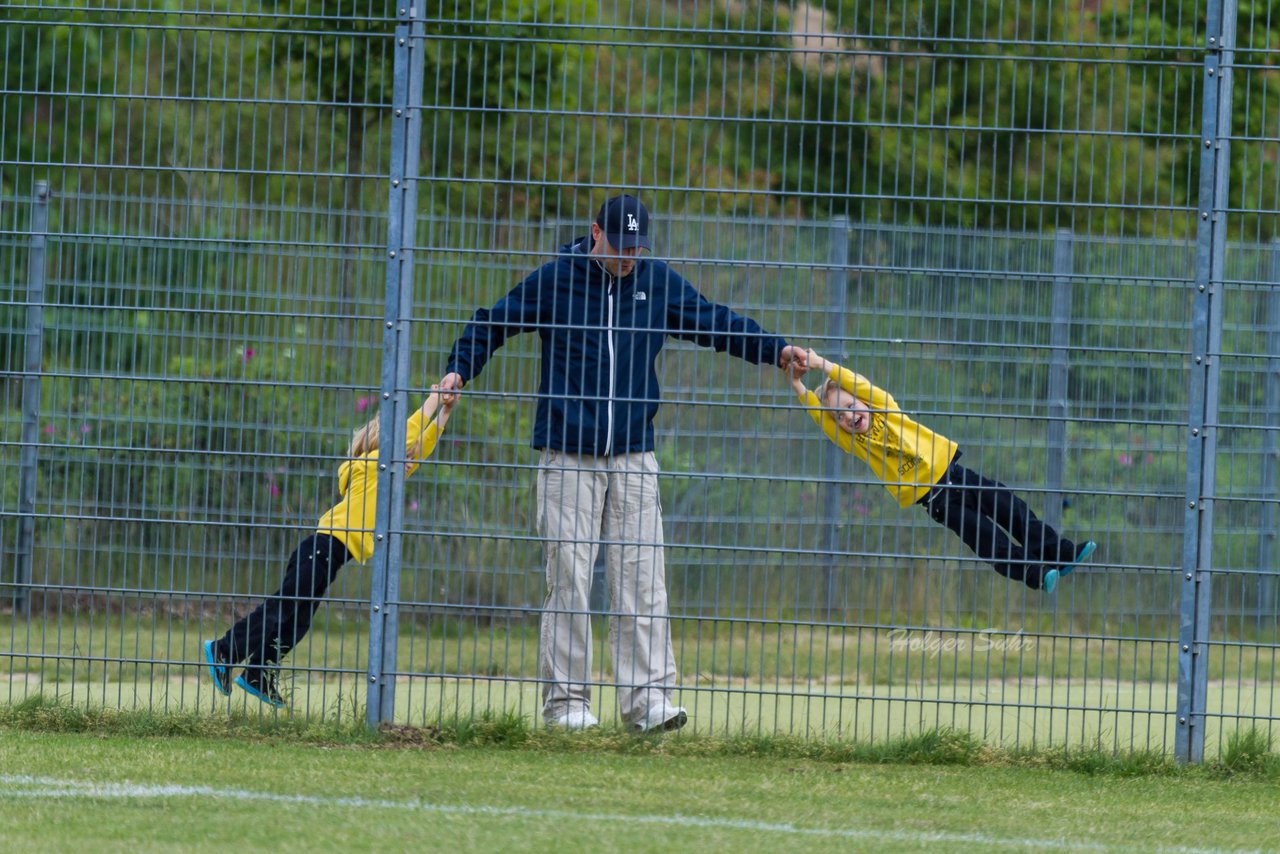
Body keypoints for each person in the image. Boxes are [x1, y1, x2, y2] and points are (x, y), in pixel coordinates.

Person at [439, 194, 806, 732]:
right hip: (567, 456)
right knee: (569, 580)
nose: (629, 258)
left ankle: (649, 702)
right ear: (595, 234)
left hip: (635, 456)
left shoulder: (654, 282)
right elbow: (491, 323)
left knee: (642, 580)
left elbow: (715, 321)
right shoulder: (555, 279)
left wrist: (775, 350)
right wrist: (458, 370)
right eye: (620, 247)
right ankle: (567, 707)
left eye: (638, 248)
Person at [203, 388, 456, 707]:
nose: (410, 459)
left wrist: (445, 414)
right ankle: (225, 649)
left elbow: (422, 445)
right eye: (404, 453)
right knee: (283, 608)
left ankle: (258, 672)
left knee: (298, 620)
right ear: (384, 448)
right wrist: (436, 397)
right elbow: (411, 435)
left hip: (326, 555)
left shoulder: (386, 473)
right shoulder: (371, 467)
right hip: (322, 549)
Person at [790, 349, 1095, 592]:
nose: (848, 416)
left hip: (957, 474)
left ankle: (1059, 551)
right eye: (840, 416)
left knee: (1008, 506)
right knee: (985, 536)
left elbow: (860, 384)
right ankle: (1034, 574)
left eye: (851, 406)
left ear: (864, 401)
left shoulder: (886, 408)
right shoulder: (856, 443)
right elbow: (822, 419)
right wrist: (797, 385)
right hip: (937, 502)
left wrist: (821, 364)